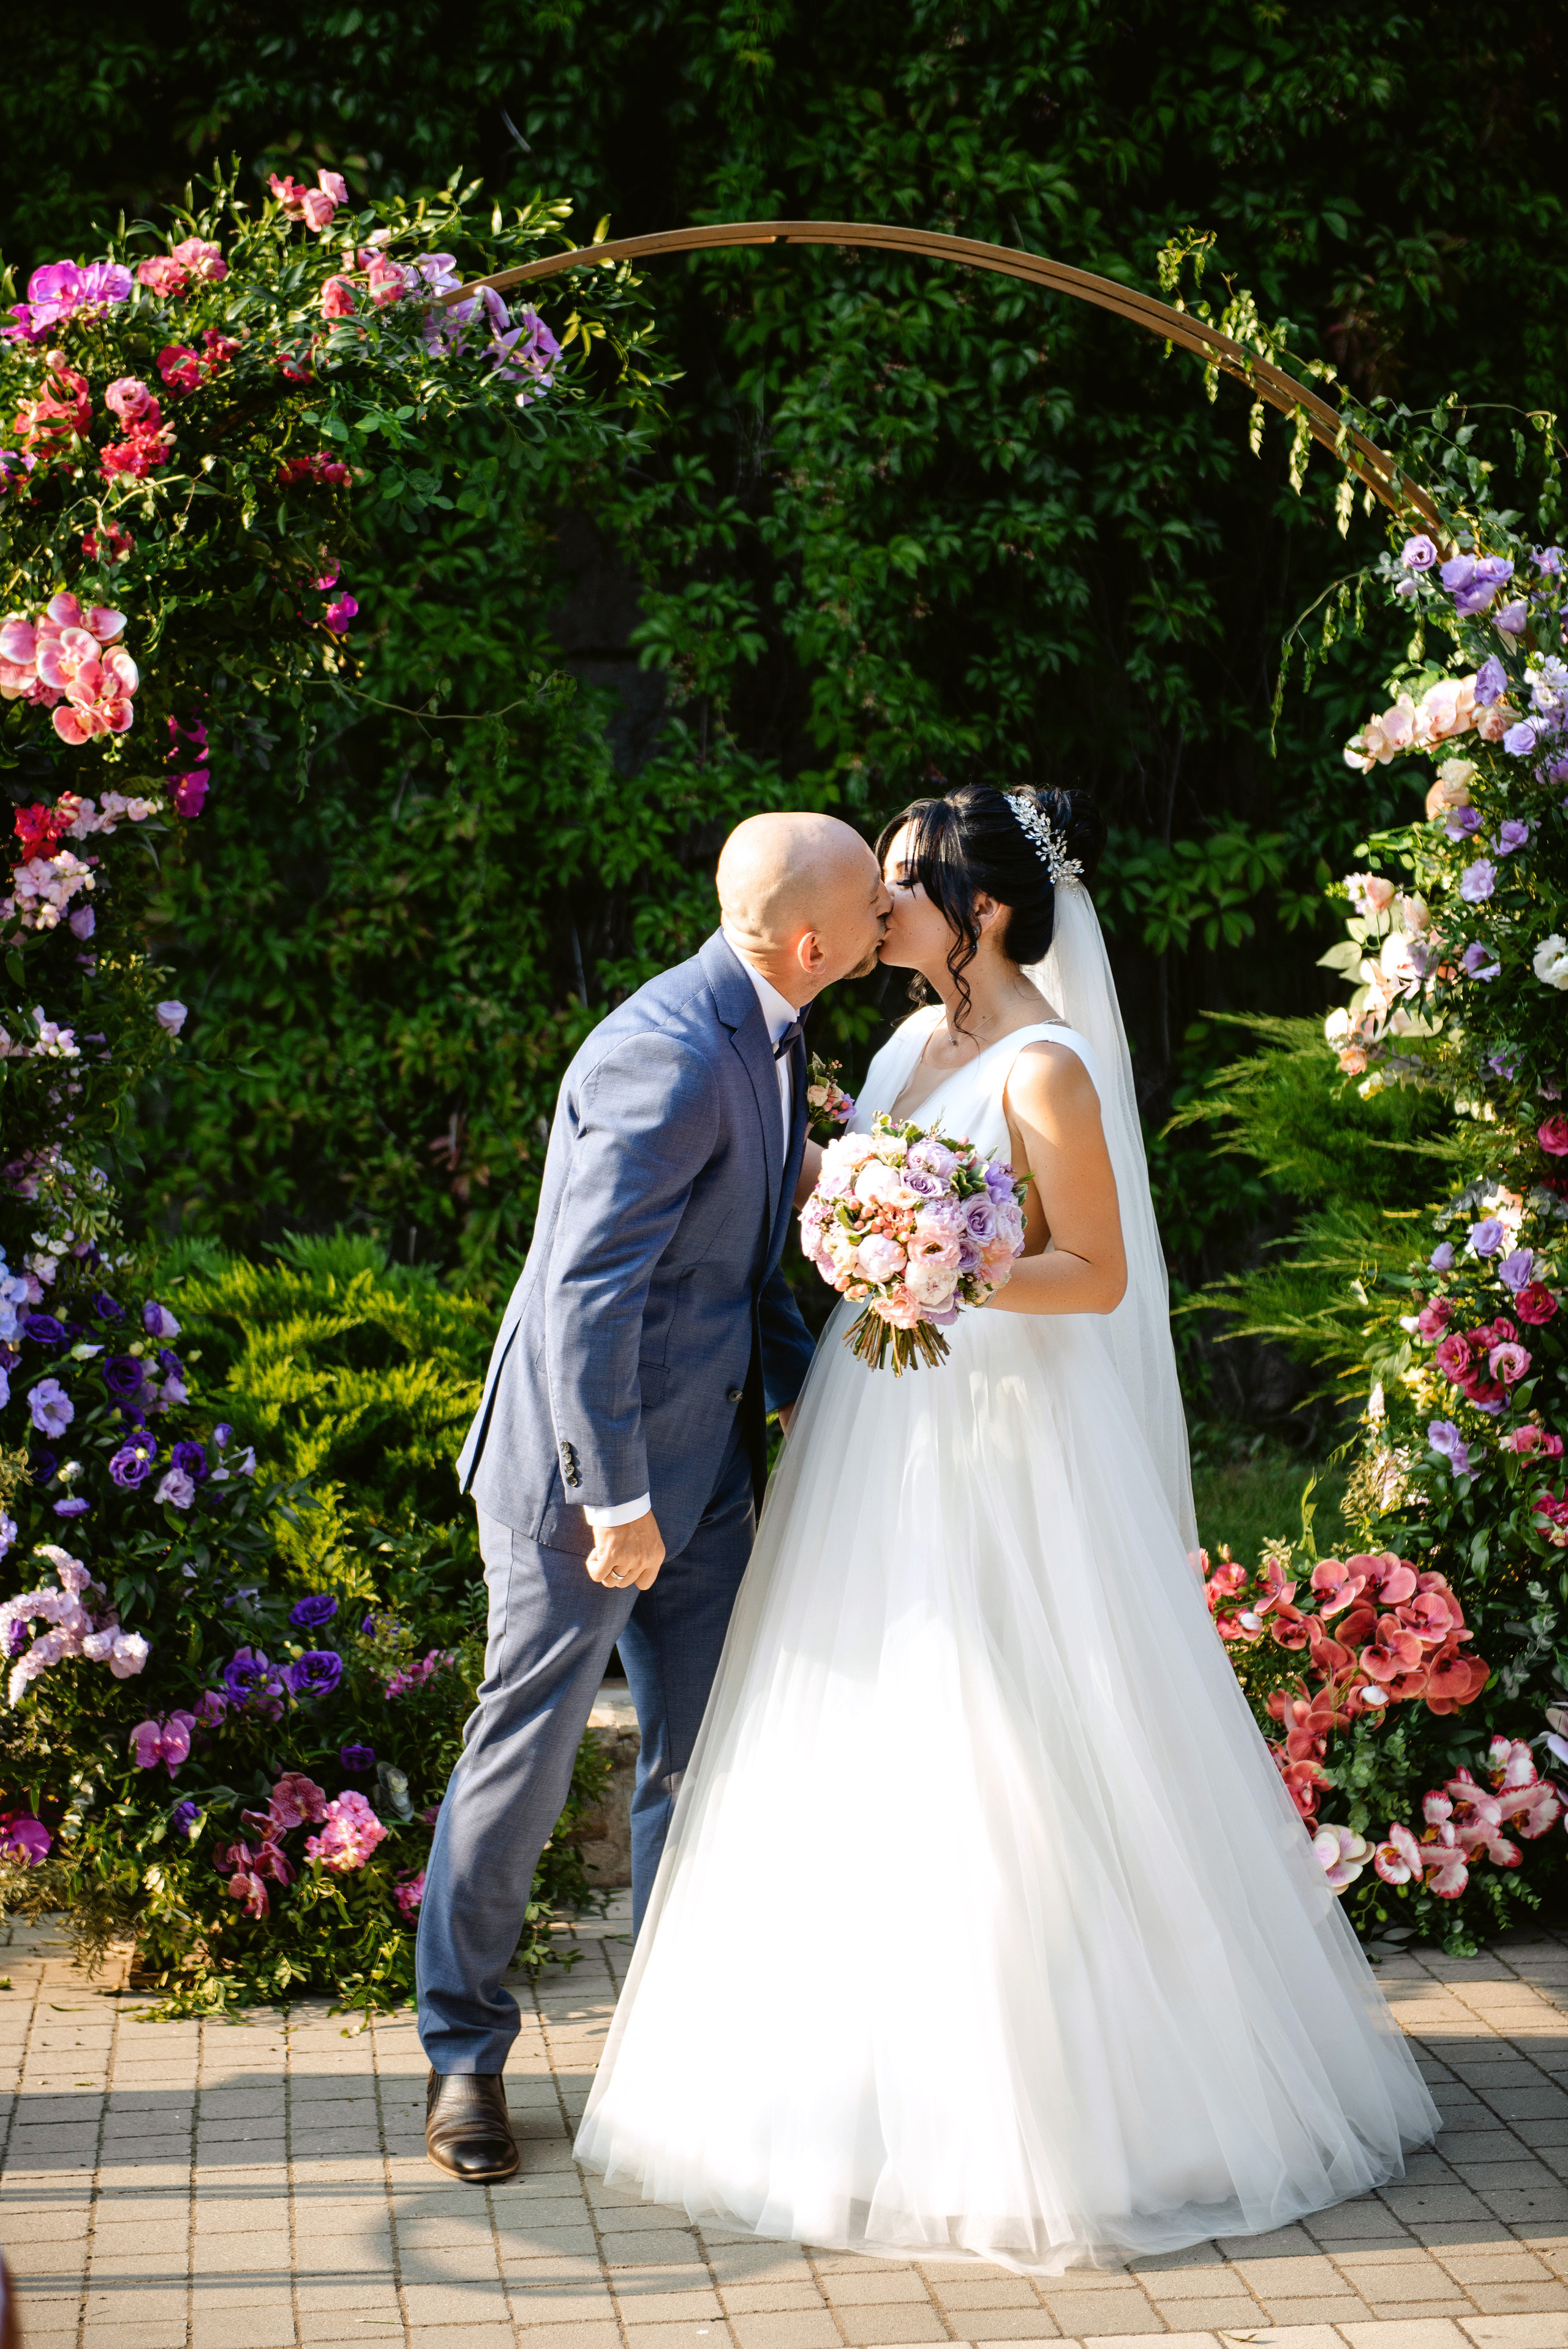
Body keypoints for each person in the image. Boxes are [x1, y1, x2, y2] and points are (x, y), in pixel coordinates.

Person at [573, 781, 1438, 2272]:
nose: (877, 910)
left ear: (978, 913)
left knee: (1007, 1732)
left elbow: (1093, 1273)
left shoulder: (1048, 1069)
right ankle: (842, 2081)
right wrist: (864, 1236)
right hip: (880, 1421)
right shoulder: (909, 1040)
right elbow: (852, 1202)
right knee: (863, 1728)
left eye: (903, 886)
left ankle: (1068, 2103)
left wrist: (940, 1267)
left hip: (998, 1441)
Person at [416, 810, 892, 2182]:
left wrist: (808, 1384)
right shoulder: (667, 1051)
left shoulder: (777, 1028)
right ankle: (463, 2055)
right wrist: (612, 1499)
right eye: (871, 900)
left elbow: (731, 1266)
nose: (887, 912)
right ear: (811, 941)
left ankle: (672, 2047)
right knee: (529, 1752)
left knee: (696, 1762)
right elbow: (586, 1296)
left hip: (706, 1474)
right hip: (589, 1485)